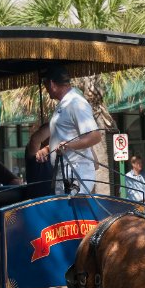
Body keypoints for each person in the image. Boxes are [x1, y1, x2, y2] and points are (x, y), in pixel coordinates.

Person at [35, 65, 101, 194]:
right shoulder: (64, 103)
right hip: (63, 172)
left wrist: (69, 145)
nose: (46, 89)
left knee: (74, 213)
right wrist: (47, 149)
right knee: (65, 213)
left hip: (77, 172)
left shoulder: (75, 103)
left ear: (52, 84)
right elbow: (66, 137)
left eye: (46, 85)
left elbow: (95, 136)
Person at [25, 122, 54, 198]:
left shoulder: (60, 150)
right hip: (38, 202)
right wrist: (58, 120)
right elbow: (34, 140)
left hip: (58, 199)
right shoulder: (34, 151)